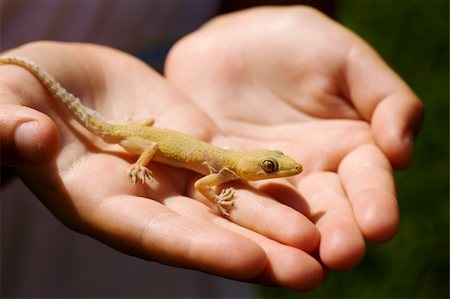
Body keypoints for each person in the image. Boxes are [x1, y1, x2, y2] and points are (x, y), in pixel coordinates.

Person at [0, 4, 422, 293]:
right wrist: (213, 198)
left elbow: (202, 183)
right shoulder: (222, 171)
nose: (282, 170)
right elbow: (203, 188)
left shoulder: (231, 165)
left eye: (272, 167)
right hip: (104, 164)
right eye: (273, 167)